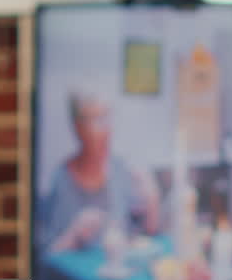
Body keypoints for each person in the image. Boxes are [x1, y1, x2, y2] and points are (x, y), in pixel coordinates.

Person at [35, 91, 161, 257]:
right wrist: (74, 235)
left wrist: (152, 200)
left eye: (106, 118)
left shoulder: (120, 170)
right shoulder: (61, 179)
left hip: (116, 278)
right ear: (78, 128)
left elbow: (147, 235)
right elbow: (46, 259)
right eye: (95, 119)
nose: (105, 129)